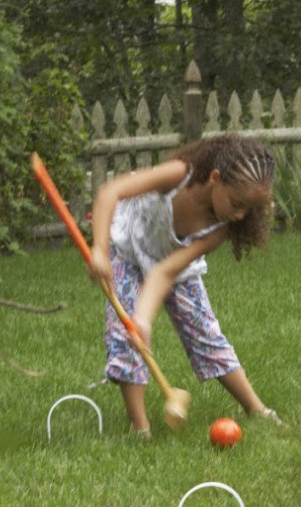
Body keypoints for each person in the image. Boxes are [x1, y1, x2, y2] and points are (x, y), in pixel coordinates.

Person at [88, 133, 283, 435]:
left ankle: (256, 408)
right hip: (127, 248)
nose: (239, 214)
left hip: (174, 266)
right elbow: (110, 192)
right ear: (216, 178)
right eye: (236, 203)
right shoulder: (179, 175)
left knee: (206, 334)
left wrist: (145, 317)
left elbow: (164, 272)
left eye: (248, 210)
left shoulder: (221, 227)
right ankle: (139, 427)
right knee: (125, 333)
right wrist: (99, 249)